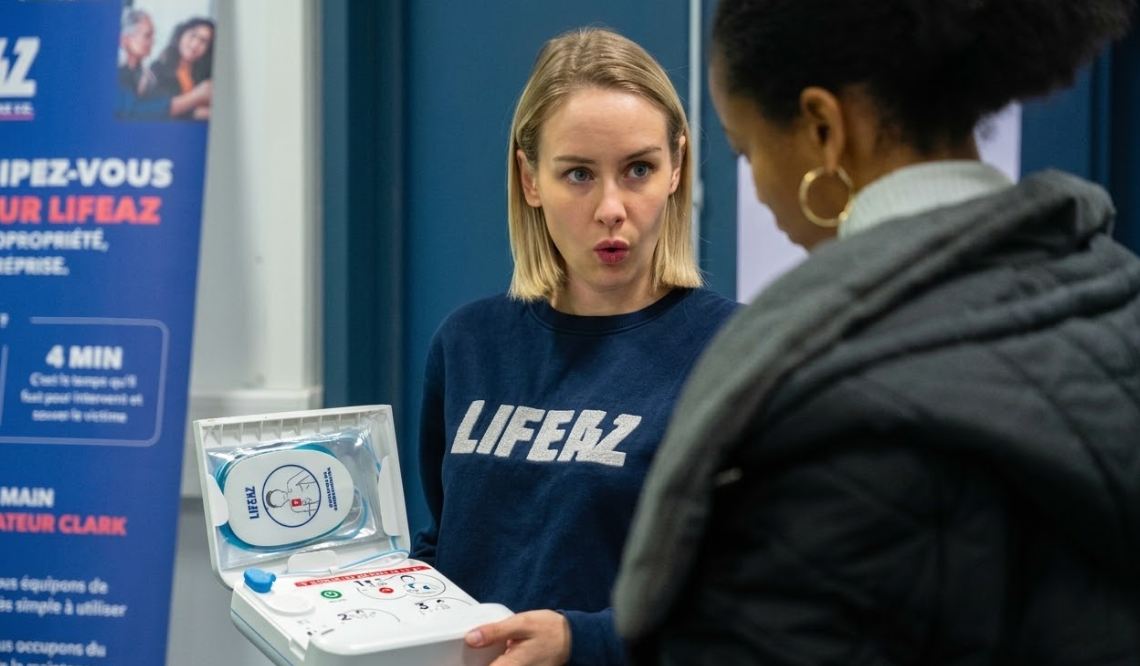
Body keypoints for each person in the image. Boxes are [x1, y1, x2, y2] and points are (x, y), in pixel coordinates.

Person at [614, 0, 1140, 664]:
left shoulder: (827, 412)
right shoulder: (1113, 296)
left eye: (747, 151)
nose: (762, 191)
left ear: (823, 129)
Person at [411, 27, 740, 666]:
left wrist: (580, 642)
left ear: (677, 168)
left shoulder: (734, 353)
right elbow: (445, 548)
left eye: (639, 170)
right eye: (579, 174)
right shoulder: (469, 343)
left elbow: (750, 603)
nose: (611, 208)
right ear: (530, 178)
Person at [116, 8, 211, 120]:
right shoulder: (155, 71)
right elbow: (136, 112)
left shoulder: (145, 74)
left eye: (204, 41)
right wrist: (197, 99)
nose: (195, 44)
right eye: (147, 35)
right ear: (124, 39)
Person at [144, 16, 214, 120]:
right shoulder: (158, 68)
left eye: (204, 41)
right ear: (181, 34)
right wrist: (196, 111)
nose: (195, 44)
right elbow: (156, 110)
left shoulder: (205, 75)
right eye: (193, 35)